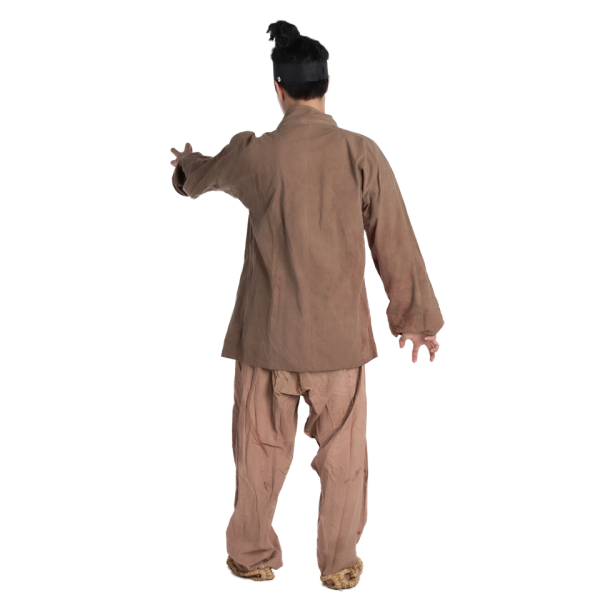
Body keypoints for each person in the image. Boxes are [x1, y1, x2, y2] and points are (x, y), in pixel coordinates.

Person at [170, 20, 444, 590]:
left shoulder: (258, 154)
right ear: (326, 85)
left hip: (266, 342)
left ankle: (250, 555)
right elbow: (394, 238)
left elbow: (201, 179)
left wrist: (185, 166)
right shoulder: (360, 153)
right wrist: (414, 319)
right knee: (344, 464)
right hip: (339, 346)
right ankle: (339, 563)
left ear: (278, 88)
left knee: (258, 454)